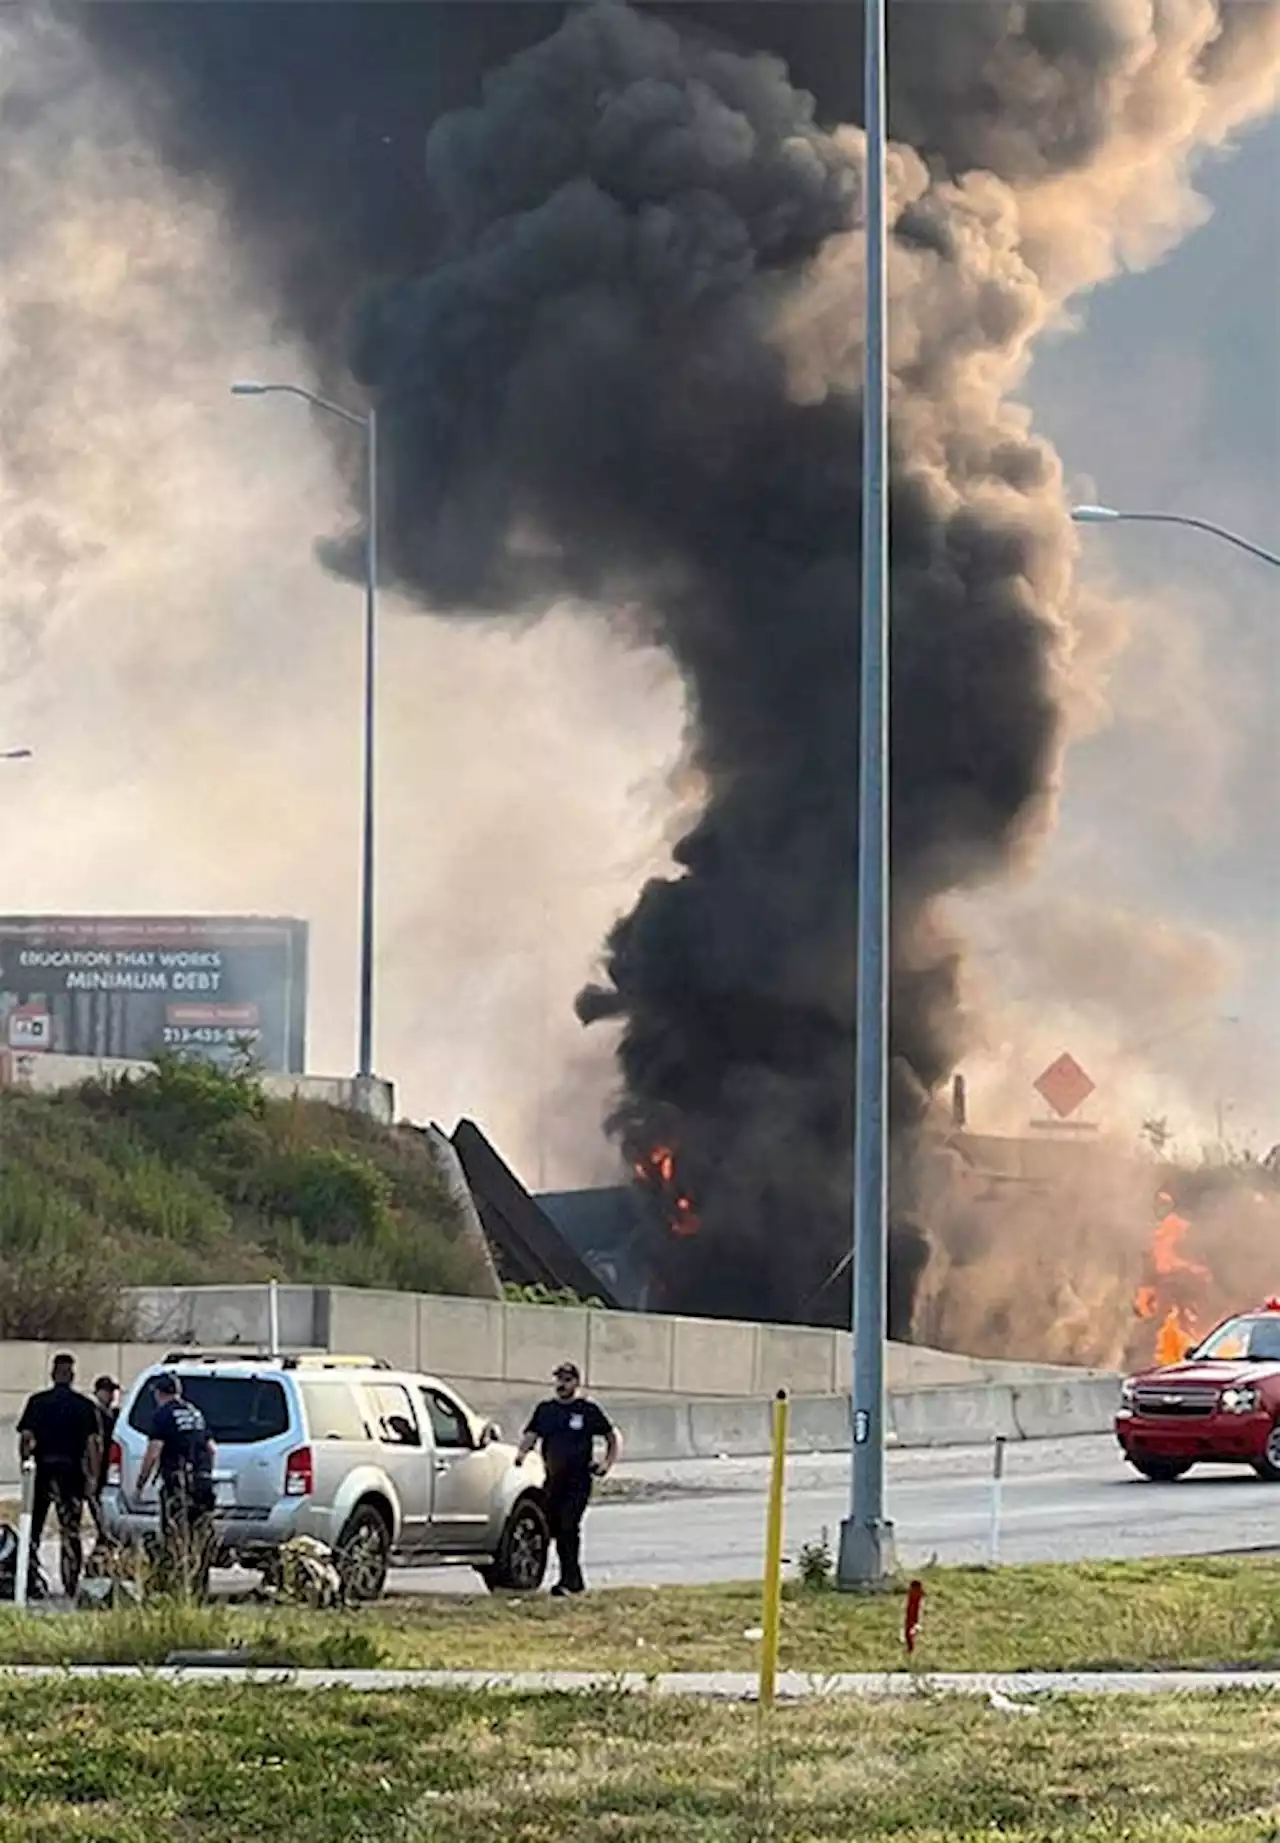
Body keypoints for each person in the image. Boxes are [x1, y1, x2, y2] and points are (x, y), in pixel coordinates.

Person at [515, 1361, 619, 1597]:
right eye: (559, 1380)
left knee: (568, 1527)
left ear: (576, 1383)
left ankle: (569, 1580)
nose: (561, 1385)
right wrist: (521, 1455)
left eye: (567, 1380)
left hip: (578, 1480)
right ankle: (566, 1579)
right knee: (548, 1528)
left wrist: (606, 1464)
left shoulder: (587, 1410)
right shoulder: (546, 1410)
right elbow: (531, 1435)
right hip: (553, 1480)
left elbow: (612, 1436)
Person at [16, 1353, 101, 1598]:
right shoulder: (84, 1406)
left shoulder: (37, 1402)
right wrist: (93, 1478)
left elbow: (26, 1439)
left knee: (33, 1529)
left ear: (53, 1374)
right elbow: (94, 1444)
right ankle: (71, 1581)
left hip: (43, 1472)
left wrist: (25, 1465)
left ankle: (30, 1579)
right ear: (72, 1376)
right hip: (72, 1473)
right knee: (70, 1530)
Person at [134, 1373, 217, 1595]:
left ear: (160, 1394)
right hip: (202, 1483)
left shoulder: (163, 1414)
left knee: (174, 1535)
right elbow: (211, 1449)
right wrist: (205, 1472)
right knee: (200, 1536)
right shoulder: (195, 1412)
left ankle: (176, 1586)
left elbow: (153, 1452)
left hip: (177, 1483)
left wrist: (141, 1484)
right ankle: (200, 1587)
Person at [88, 1375, 120, 1543]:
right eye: (107, 1391)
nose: (111, 1395)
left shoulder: (116, 1414)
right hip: (97, 1464)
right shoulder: (93, 1413)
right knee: (95, 1499)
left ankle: (105, 1533)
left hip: (111, 1464)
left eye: (112, 1391)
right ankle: (103, 1532)